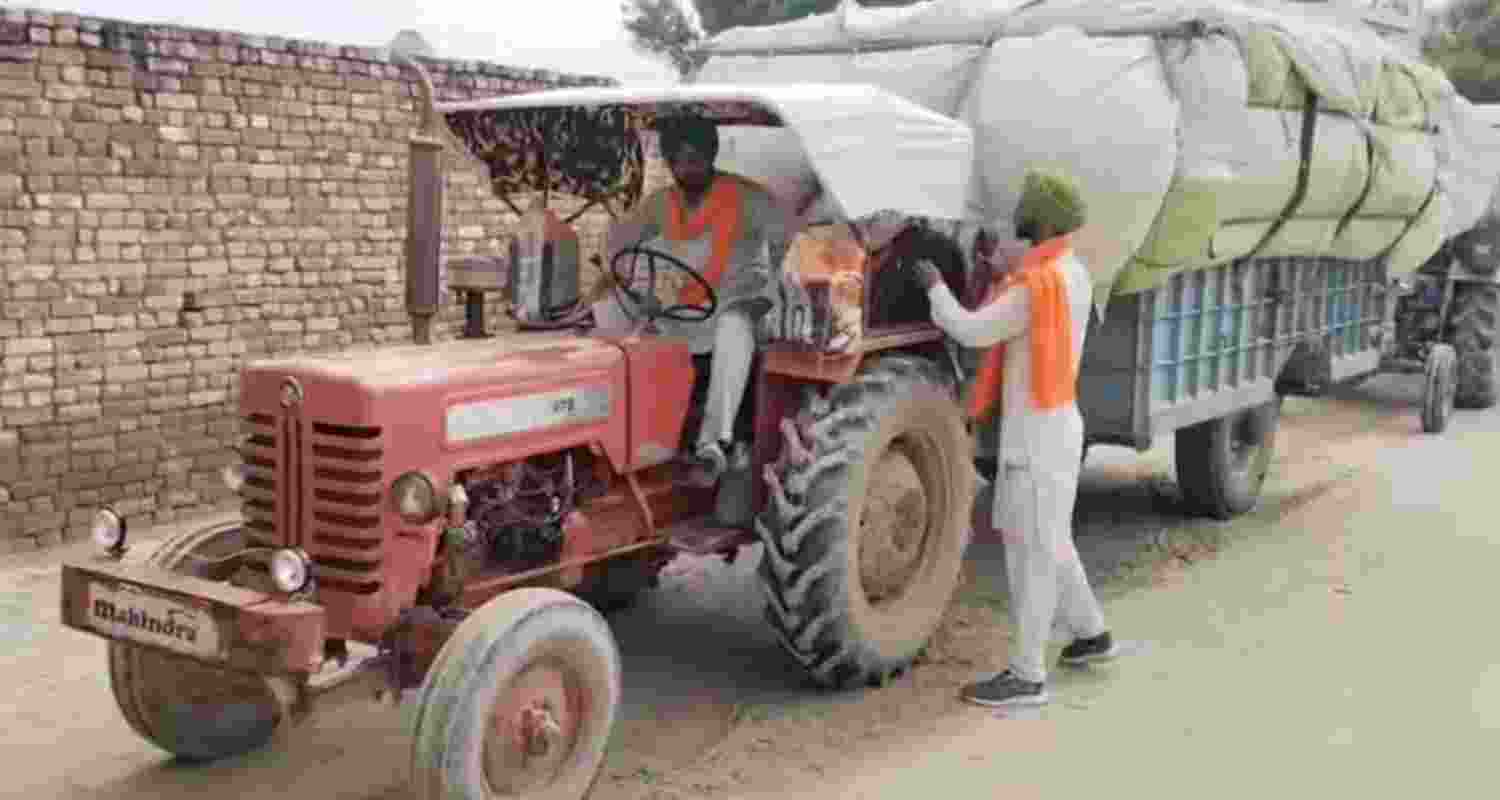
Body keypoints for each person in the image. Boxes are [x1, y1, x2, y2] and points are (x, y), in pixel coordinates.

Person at [912, 168, 1118, 708]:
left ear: (1039, 222)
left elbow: (972, 329)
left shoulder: (1034, 289)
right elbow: (1024, 286)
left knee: (1033, 552)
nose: (1015, 220)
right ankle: (1091, 632)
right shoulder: (1068, 270)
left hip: (1037, 438)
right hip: (1054, 427)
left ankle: (1028, 676)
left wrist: (935, 286)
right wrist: (1006, 269)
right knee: (1047, 537)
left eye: (1024, 213)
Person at [599, 113, 804, 486]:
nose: (685, 170)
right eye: (676, 161)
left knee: (732, 327)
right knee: (621, 329)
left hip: (739, 303)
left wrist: (772, 293)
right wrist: (630, 285)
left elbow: (788, 241)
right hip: (684, 309)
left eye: (693, 160)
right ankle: (631, 444)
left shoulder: (747, 197)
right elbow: (619, 241)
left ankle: (715, 443)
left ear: (710, 156)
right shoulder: (661, 203)